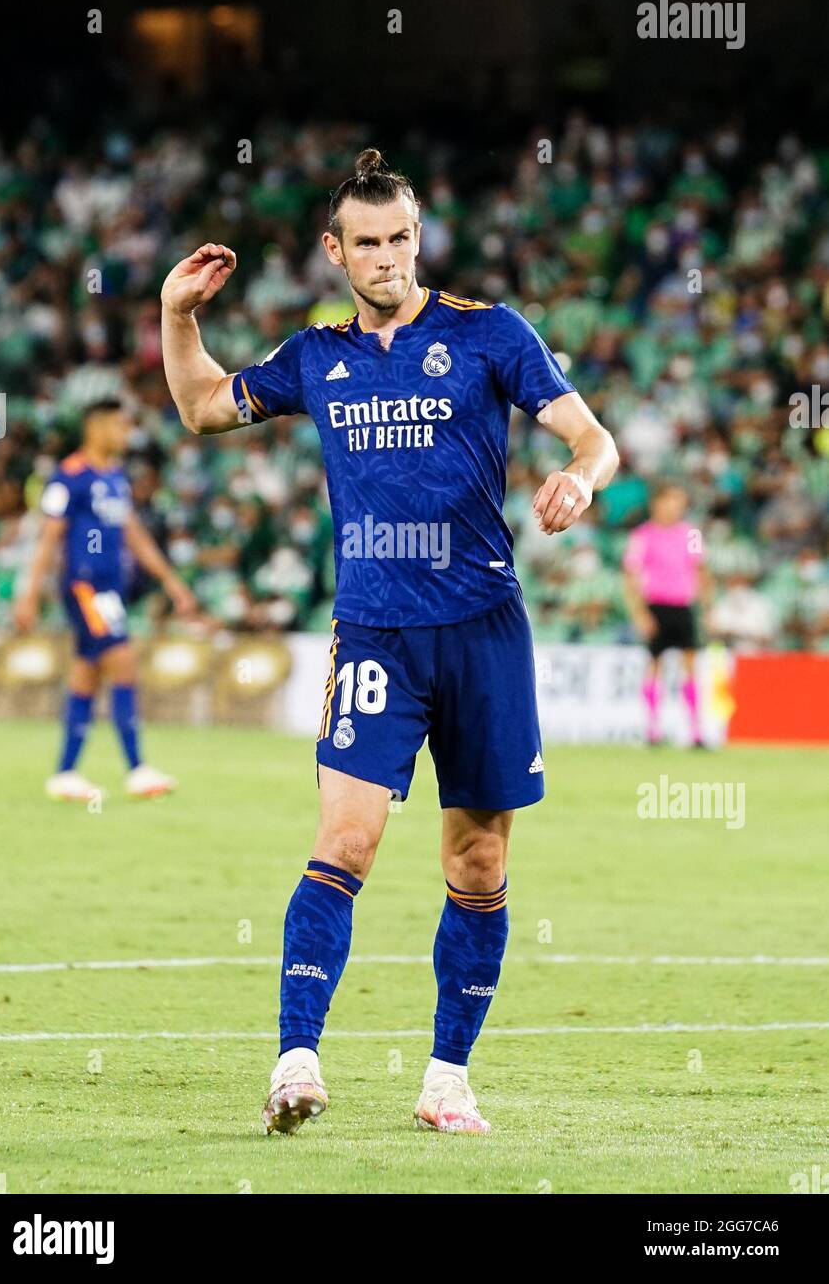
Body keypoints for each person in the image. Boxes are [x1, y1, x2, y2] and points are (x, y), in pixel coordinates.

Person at [160, 150, 619, 1135]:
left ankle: (445, 1080)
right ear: (333, 251)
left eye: (399, 237)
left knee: (478, 863)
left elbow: (593, 437)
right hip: (373, 633)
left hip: (482, 632)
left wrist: (580, 477)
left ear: (418, 236)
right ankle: (294, 1060)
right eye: (364, 243)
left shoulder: (489, 334)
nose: (385, 257)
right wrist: (178, 317)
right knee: (345, 840)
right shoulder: (313, 359)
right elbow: (201, 408)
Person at [15, 399, 196, 800]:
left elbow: (135, 535)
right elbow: (49, 538)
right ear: (95, 428)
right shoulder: (70, 477)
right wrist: (28, 594)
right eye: (118, 425)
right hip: (85, 587)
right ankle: (136, 768)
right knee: (123, 661)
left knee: (87, 672)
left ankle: (65, 772)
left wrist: (172, 583)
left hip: (112, 590)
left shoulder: (115, 477)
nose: (125, 433)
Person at [623, 483, 710, 746]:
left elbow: (701, 571)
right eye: (670, 500)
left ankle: (696, 731)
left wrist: (706, 609)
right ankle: (652, 729)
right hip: (656, 605)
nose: (675, 507)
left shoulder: (691, 534)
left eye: (679, 502)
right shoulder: (642, 535)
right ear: (657, 503)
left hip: (683, 606)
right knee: (654, 666)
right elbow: (630, 576)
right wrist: (639, 614)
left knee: (691, 667)